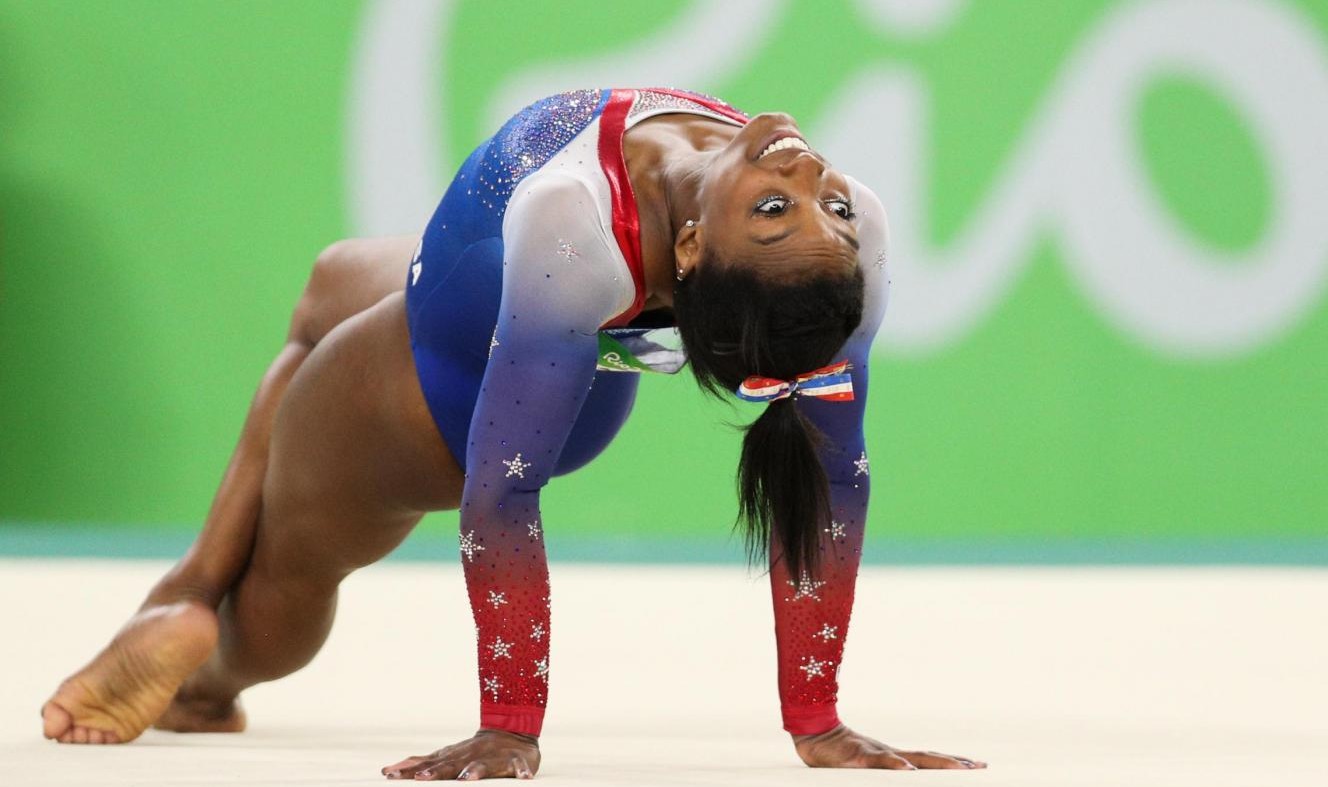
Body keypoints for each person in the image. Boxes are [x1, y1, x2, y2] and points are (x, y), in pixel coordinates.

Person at [40, 88, 986, 779]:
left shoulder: (579, 224)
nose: (810, 176)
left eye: (778, 211)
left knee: (291, 560)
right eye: (820, 208)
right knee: (329, 282)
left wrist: (512, 724)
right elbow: (839, 470)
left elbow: (510, 491)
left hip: (446, 398)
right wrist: (816, 718)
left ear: (694, 248)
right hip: (484, 293)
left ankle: (208, 667)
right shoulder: (854, 227)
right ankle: (187, 584)